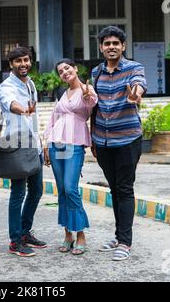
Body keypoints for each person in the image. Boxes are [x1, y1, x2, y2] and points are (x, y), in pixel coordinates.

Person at [91, 26, 146, 261]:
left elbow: (138, 84)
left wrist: (136, 94)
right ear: (101, 48)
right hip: (102, 141)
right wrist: (92, 137)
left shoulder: (134, 68)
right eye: (107, 43)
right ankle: (118, 235)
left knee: (124, 189)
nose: (111, 46)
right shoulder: (96, 73)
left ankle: (125, 241)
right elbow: (94, 106)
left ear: (123, 46)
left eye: (116, 43)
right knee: (114, 189)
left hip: (127, 140)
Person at [43, 59, 97, 255]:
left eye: (67, 68)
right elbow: (53, 119)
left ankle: (81, 233)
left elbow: (92, 104)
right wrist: (46, 143)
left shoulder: (87, 89)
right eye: (60, 71)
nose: (64, 72)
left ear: (75, 69)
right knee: (62, 191)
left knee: (70, 188)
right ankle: (67, 234)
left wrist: (87, 94)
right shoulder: (62, 93)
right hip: (56, 144)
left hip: (74, 144)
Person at [0, 46, 47, 257]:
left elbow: (34, 121)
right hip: (16, 146)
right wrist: (22, 109)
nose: (23, 64)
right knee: (18, 193)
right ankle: (15, 240)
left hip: (33, 144)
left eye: (26, 60)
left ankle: (25, 232)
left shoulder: (31, 84)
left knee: (36, 190)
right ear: (11, 64)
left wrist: (42, 144)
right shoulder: (5, 86)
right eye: (18, 61)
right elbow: (10, 103)